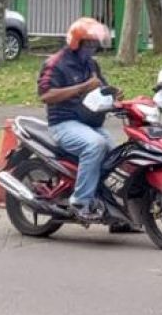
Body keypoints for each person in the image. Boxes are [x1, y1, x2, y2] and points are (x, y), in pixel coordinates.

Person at [37, 17, 114, 222]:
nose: (92, 49)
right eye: (89, 44)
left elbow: (101, 88)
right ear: (76, 42)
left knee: (116, 153)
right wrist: (81, 88)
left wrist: (114, 95)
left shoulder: (91, 64)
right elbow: (46, 95)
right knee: (95, 145)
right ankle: (80, 201)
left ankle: (111, 207)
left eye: (95, 45)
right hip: (63, 122)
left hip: (89, 121)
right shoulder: (56, 63)